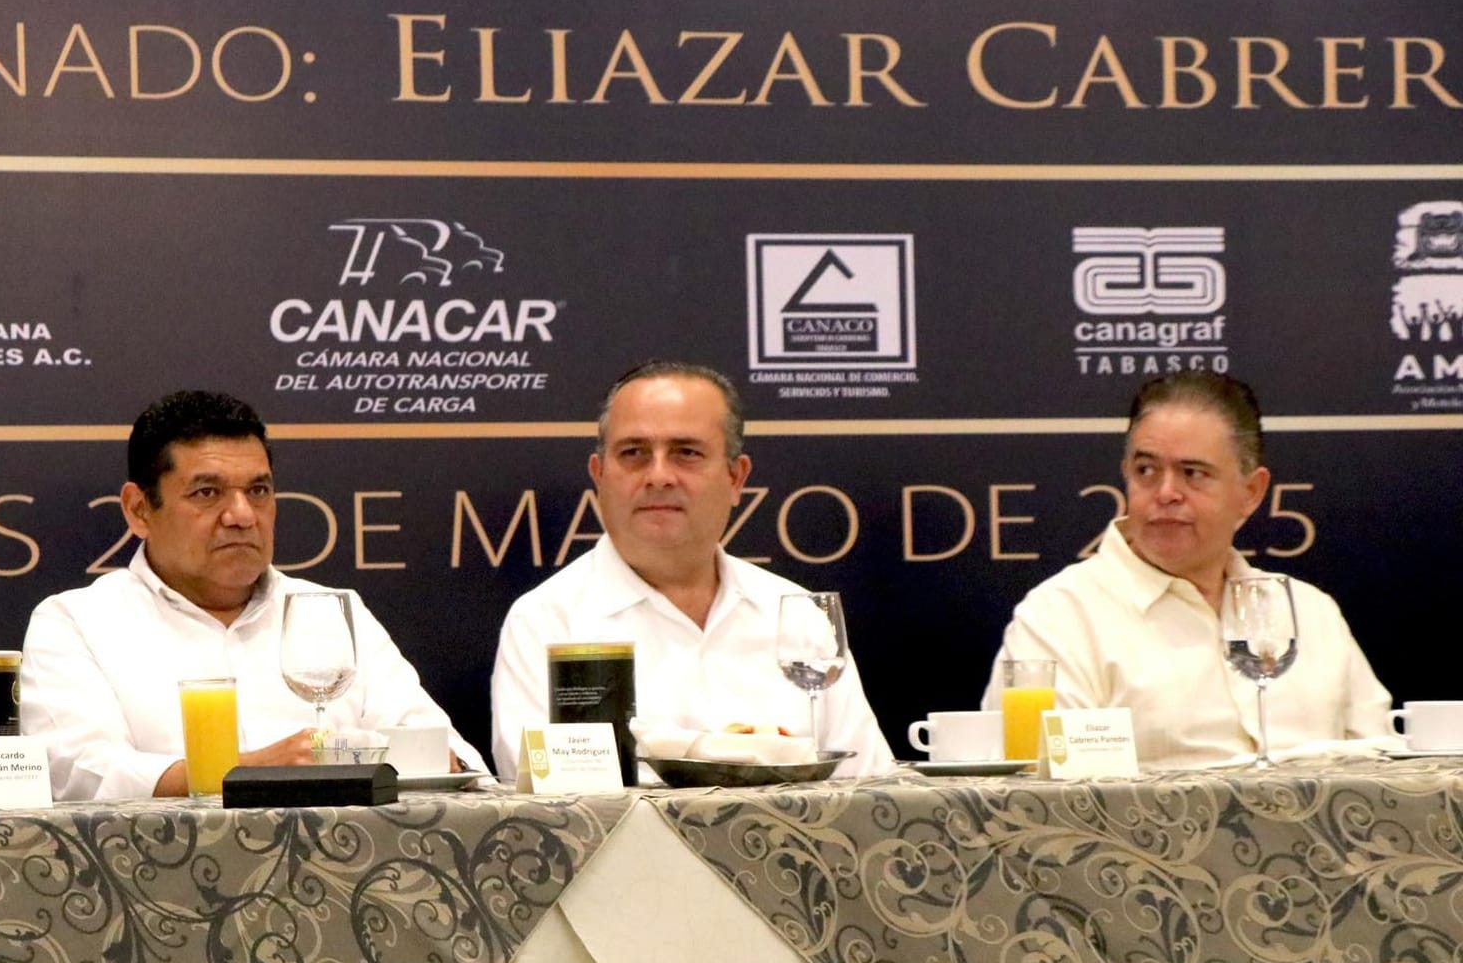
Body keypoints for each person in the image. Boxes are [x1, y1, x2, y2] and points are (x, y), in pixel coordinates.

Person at [20, 389, 484, 799]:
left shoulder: (331, 610)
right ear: (139, 509)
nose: (242, 515)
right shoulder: (77, 621)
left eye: (258, 490)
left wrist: (416, 758)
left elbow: (450, 754)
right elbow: (80, 772)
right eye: (207, 493)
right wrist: (250, 773)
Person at [490, 360, 894, 781]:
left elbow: (869, 785)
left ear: (736, 478)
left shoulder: (795, 614)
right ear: (599, 475)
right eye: (633, 453)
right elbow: (545, 800)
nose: (659, 476)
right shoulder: (546, 622)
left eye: (686, 452)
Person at [981, 371, 1390, 768]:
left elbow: (1383, 768)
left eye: (1193, 474)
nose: (1166, 493)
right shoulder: (1058, 618)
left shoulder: (1310, 613)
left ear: (1250, 492)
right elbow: (1040, 795)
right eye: (1146, 471)